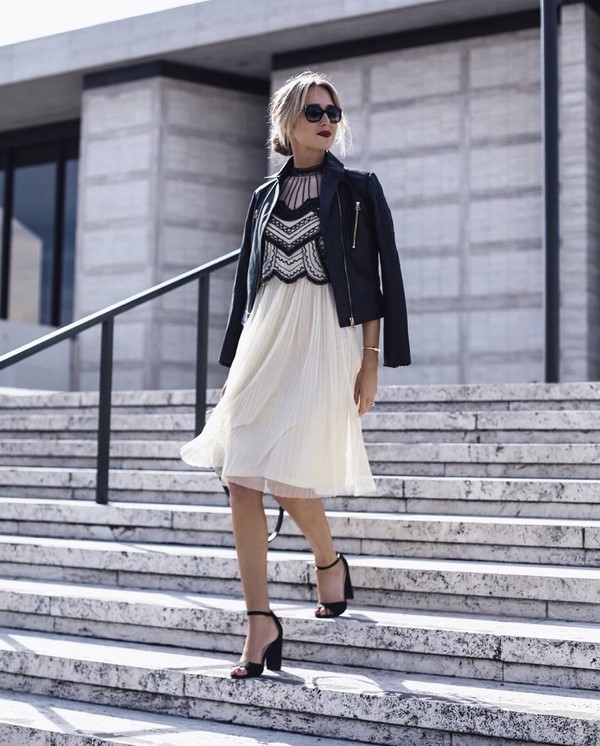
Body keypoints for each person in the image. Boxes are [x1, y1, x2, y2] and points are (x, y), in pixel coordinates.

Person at [181, 70, 410, 680]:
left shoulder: (359, 189)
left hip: (325, 338)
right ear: (287, 121)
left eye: (333, 111)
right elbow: (245, 288)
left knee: (285, 477)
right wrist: (235, 365)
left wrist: (371, 360)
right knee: (240, 475)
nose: (327, 121)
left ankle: (328, 560)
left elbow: (379, 277)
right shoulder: (263, 197)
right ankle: (260, 620)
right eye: (314, 112)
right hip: (265, 339)